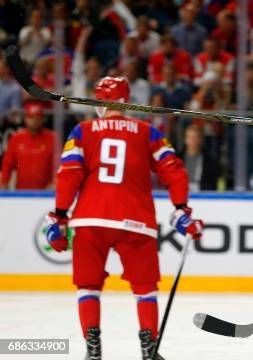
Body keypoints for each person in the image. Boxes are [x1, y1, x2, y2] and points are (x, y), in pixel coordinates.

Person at [44, 77, 204, 360]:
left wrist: (59, 215)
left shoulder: (83, 130)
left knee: (88, 287)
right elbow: (174, 171)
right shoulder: (147, 132)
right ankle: (148, 350)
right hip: (136, 221)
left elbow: (69, 175)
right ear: (125, 102)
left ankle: (93, 350)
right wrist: (181, 208)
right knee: (145, 290)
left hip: (90, 220)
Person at [0, 101, 55, 190]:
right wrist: (4, 183)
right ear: (25, 118)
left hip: (46, 193)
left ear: (43, 119)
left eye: (37, 117)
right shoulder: (16, 138)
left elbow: (58, 165)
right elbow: (7, 164)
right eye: (31, 117)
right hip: (22, 193)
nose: (34, 121)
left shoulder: (52, 138)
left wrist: (55, 182)